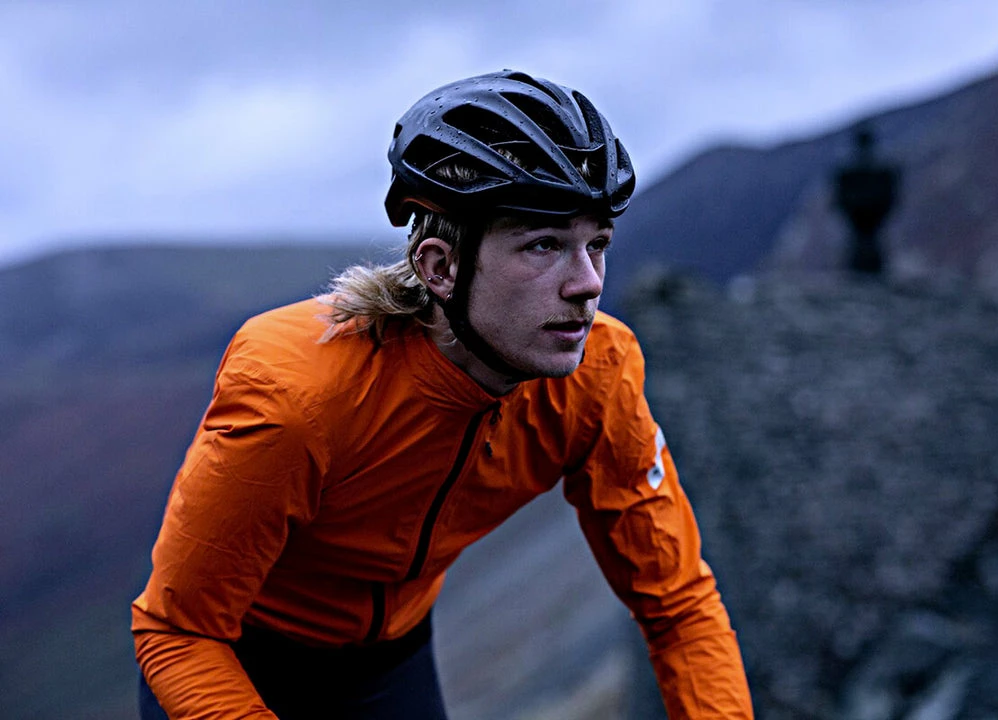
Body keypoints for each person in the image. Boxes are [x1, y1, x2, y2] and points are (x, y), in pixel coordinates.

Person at [132, 69, 754, 719]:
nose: (588, 283)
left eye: (597, 244)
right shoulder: (293, 395)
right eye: (544, 245)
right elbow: (179, 629)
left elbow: (677, 603)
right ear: (440, 267)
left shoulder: (598, 372)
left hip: (390, 660)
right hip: (228, 656)